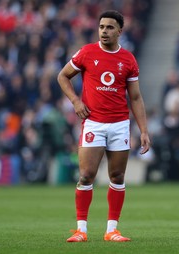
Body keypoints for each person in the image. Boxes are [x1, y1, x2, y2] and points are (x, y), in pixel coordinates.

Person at [57, 10, 150, 242]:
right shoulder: (87, 53)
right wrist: (76, 101)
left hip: (119, 124)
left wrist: (144, 130)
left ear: (120, 31)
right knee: (87, 175)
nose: (104, 31)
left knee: (117, 176)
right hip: (94, 123)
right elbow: (62, 76)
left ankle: (111, 230)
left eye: (109, 27)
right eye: (101, 27)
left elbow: (136, 98)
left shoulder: (128, 59)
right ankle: (81, 230)